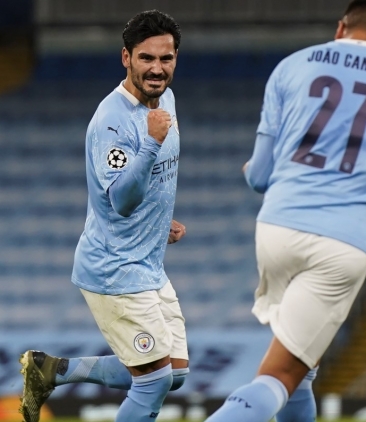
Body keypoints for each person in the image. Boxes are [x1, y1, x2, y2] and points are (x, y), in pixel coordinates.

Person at [205, 1, 366, 421]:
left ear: (341, 28)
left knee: (303, 368)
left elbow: (259, 176)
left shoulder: (292, 66)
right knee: (279, 375)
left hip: (276, 230)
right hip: (341, 242)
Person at [19, 10, 189, 422]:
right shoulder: (112, 121)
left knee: (176, 373)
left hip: (147, 263)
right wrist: (150, 143)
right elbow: (122, 201)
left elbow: (147, 185)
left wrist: (157, 221)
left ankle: (53, 371)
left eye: (165, 58)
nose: (157, 68)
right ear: (126, 58)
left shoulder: (164, 100)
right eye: (146, 58)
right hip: (116, 268)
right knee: (153, 381)